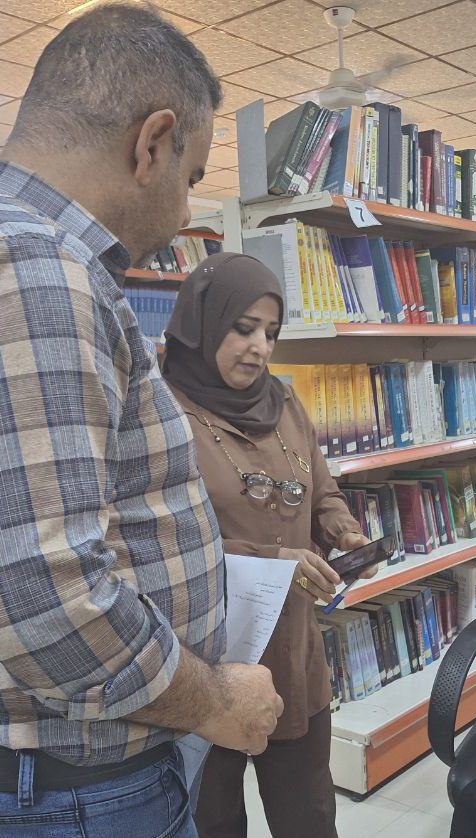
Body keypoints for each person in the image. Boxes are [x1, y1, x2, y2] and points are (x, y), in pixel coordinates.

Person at [0, 7, 283, 838]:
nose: (185, 208)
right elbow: (41, 591)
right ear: (151, 142)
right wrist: (216, 702)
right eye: (192, 175)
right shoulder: (38, 269)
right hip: (78, 791)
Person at [162, 252, 374, 838]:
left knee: (308, 816)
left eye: (271, 333)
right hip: (207, 665)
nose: (259, 347)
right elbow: (166, 542)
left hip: (292, 652)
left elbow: (321, 488)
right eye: (243, 327)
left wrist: (341, 531)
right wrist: (269, 562)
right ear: (203, 324)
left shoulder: (283, 404)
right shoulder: (161, 416)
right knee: (214, 819)